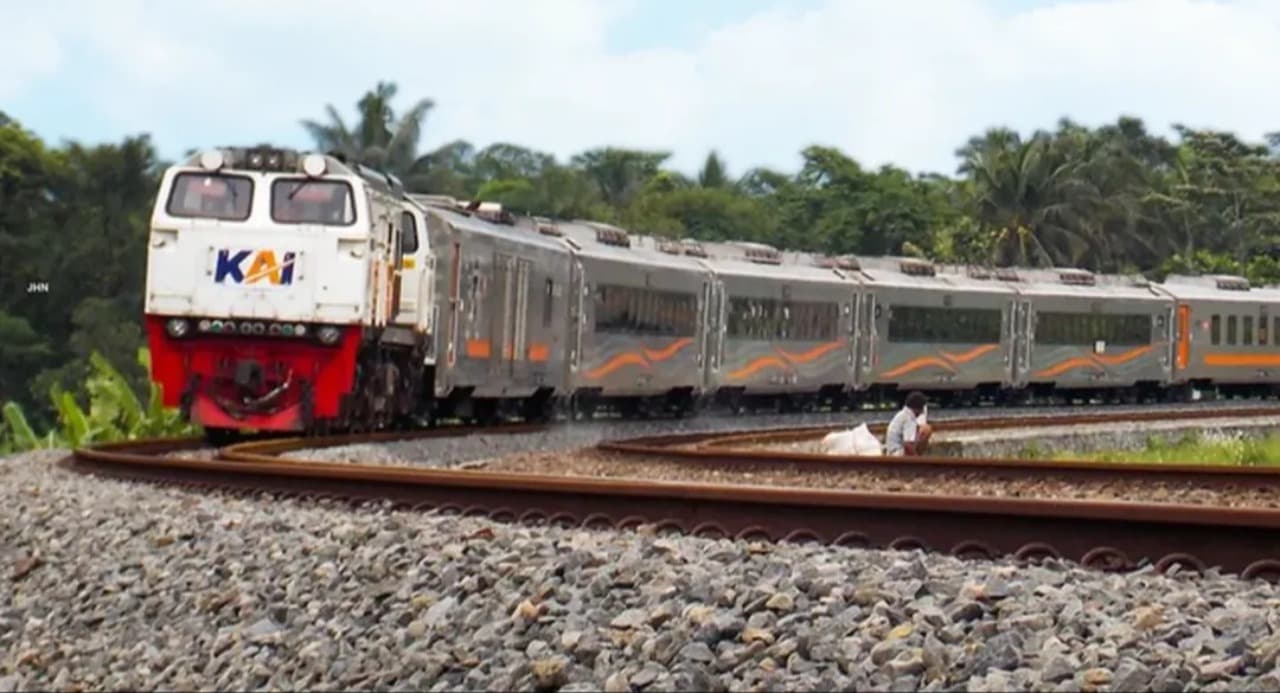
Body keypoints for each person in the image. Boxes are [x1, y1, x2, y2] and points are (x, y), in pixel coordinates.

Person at [885, 391, 932, 456]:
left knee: (919, 429)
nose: (922, 412)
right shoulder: (909, 418)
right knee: (926, 430)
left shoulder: (902, 414)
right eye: (921, 409)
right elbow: (907, 444)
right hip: (897, 453)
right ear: (917, 408)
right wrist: (917, 459)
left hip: (892, 451)